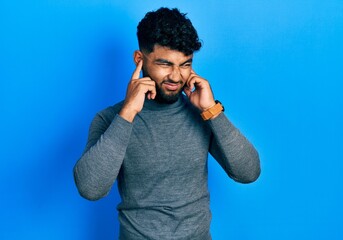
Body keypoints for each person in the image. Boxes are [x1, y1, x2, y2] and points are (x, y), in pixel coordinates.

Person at [74, 7, 261, 240]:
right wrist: (128, 113)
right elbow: (90, 189)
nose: (176, 76)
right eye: (165, 64)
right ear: (139, 59)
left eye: (185, 64)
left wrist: (212, 112)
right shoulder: (110, 119)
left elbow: (248, 172)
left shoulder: (202, 113)